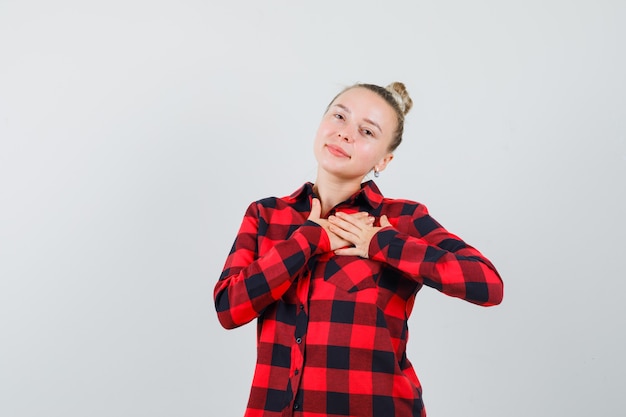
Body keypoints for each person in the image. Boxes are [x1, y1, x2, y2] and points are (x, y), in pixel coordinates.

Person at [214, 82, 504, 417]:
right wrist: (310, 239)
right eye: (339, 117)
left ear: (385, 159)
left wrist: (382, 243)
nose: (346, 134)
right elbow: (228, 309)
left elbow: (488, 284)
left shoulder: (401, 220)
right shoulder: (266, 215)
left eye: (366, 131)